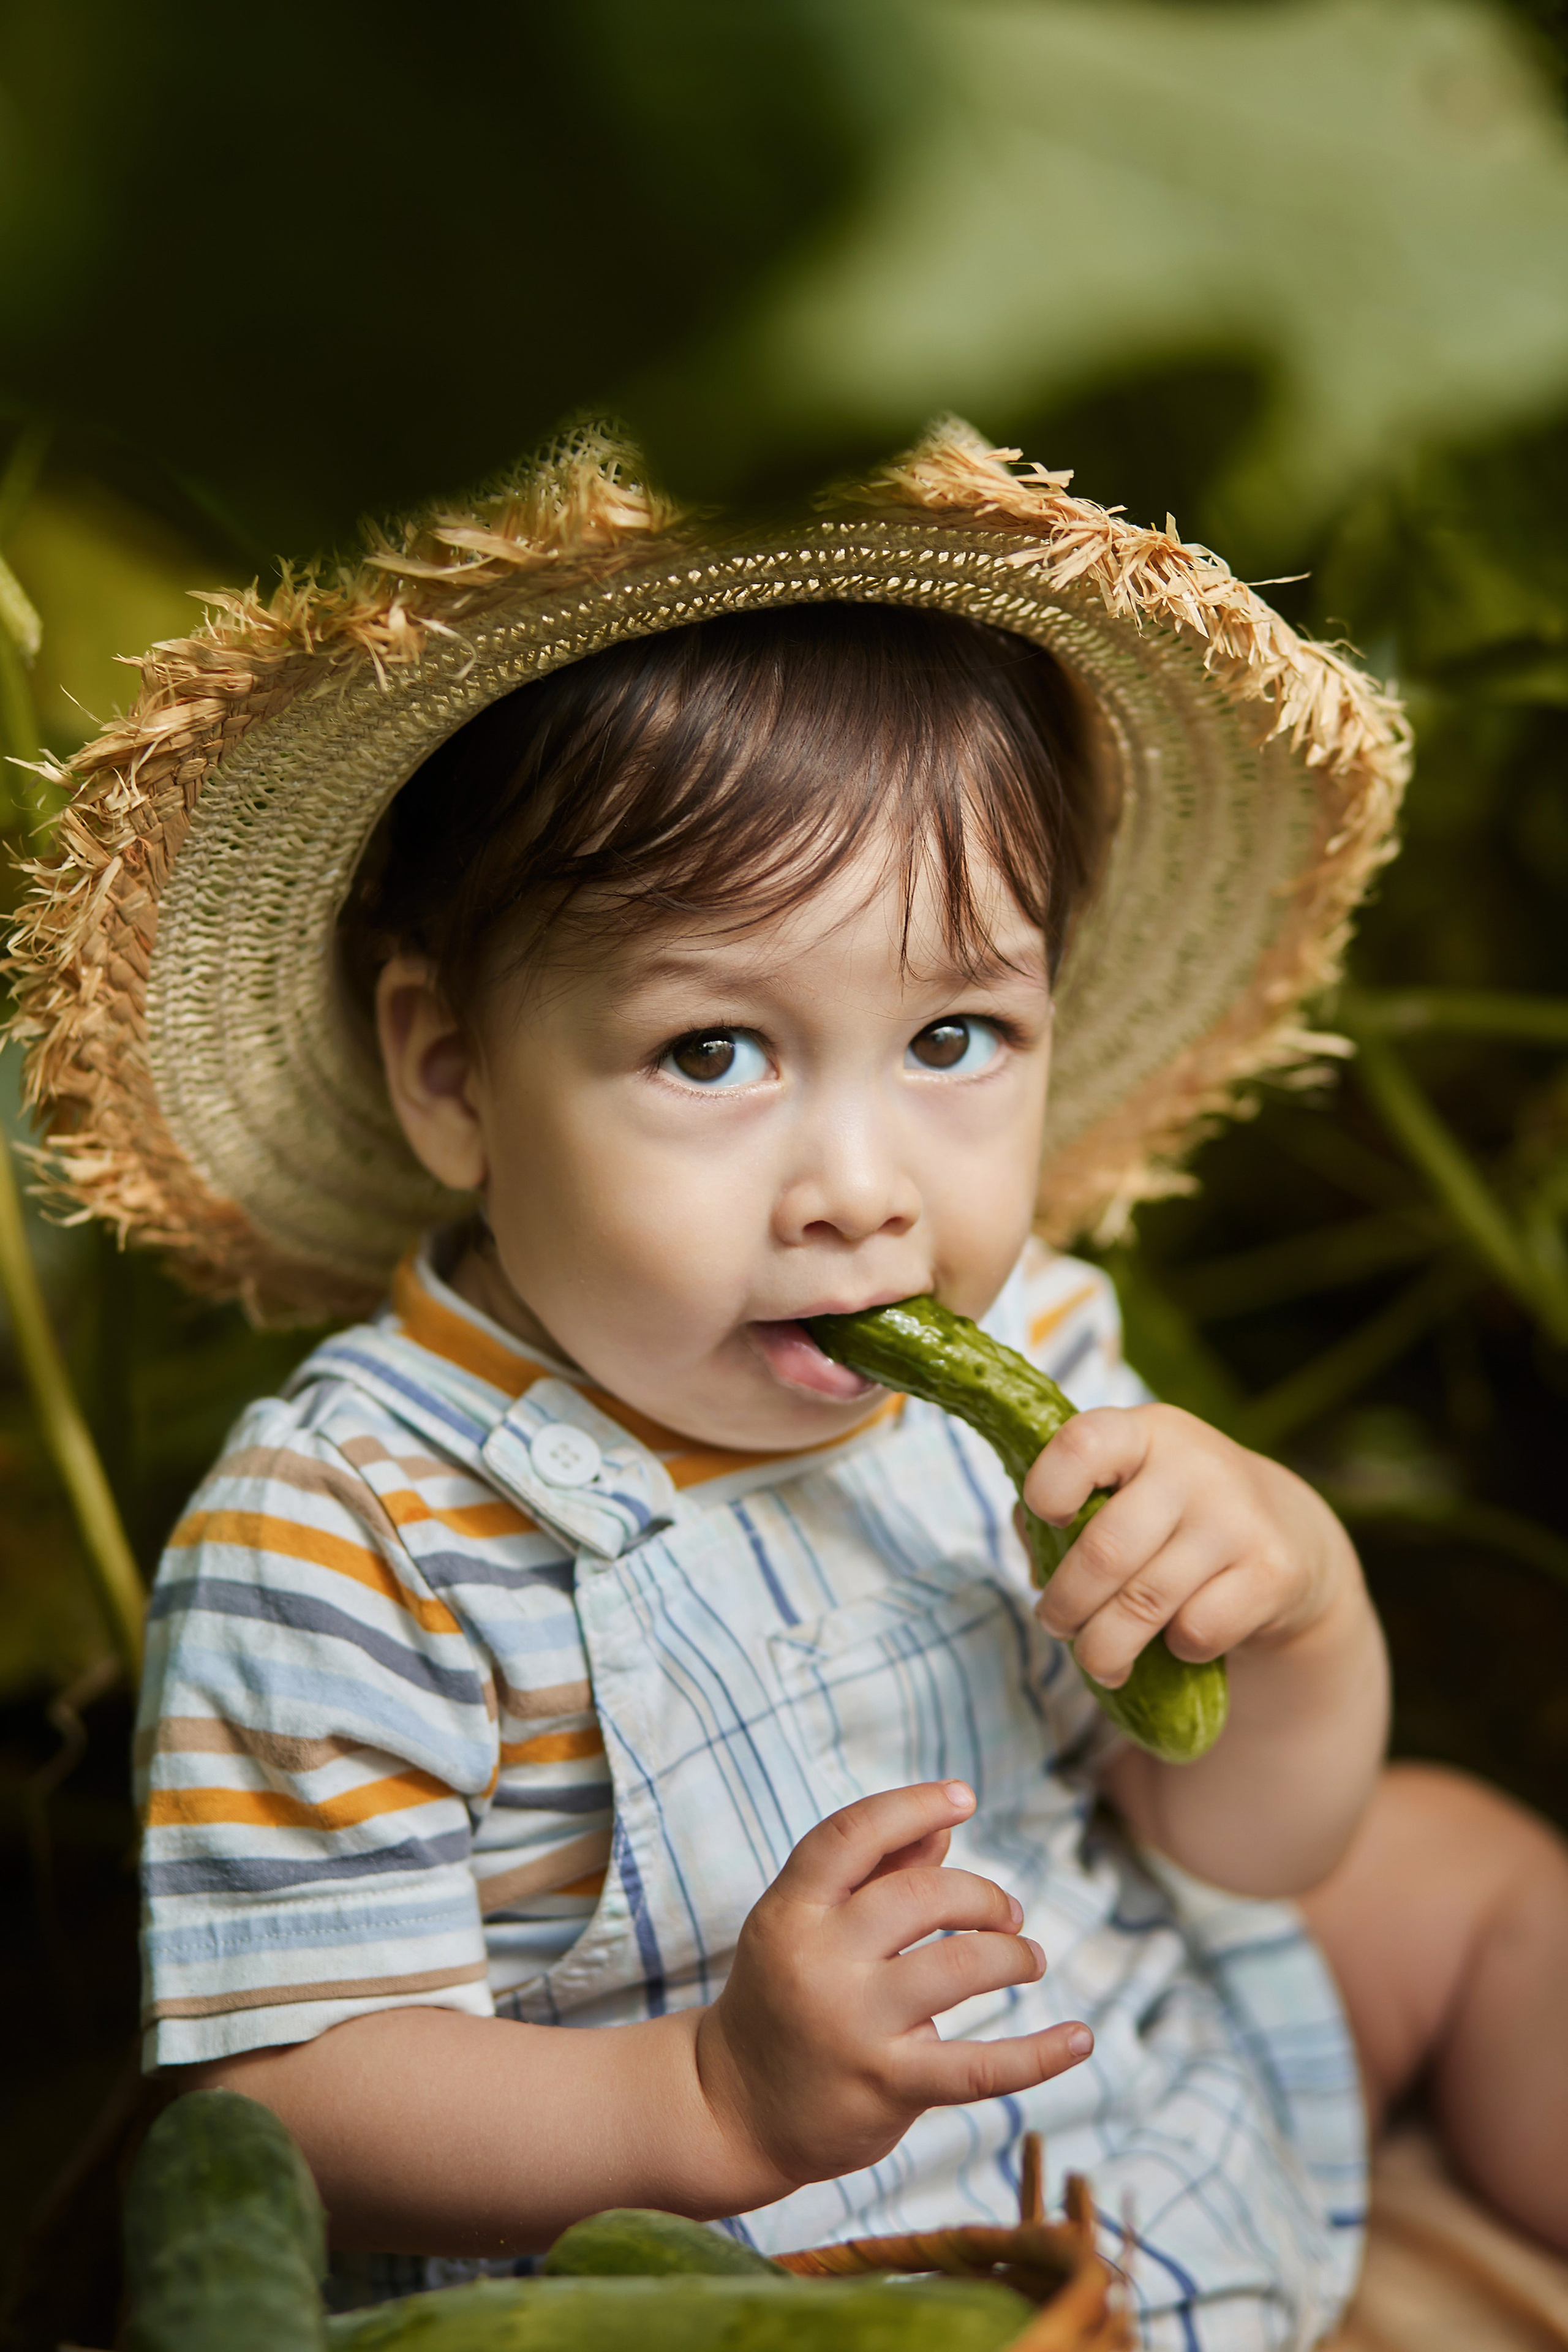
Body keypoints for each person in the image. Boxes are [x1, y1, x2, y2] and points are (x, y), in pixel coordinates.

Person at [15, 423, 1568, 2350]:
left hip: (1135, 2116)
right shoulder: (346, 1529)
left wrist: (1304, 1608)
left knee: (1473, 1869)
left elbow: (1244, 1842)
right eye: (714, 1053)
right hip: (765, 2283)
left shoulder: (1054, 1360)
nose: (858, 1190)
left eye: (950, 1034)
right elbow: (285, 2104)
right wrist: (701, 2097)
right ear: (452, 1075)